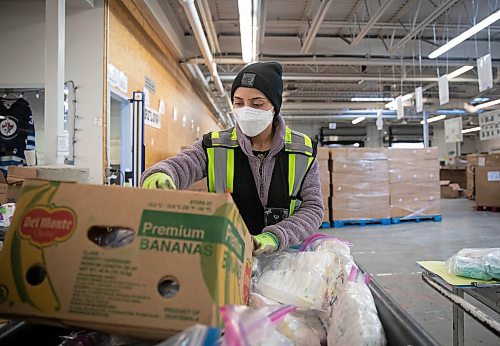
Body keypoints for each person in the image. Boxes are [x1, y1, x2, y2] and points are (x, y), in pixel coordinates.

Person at [141, 62, 324, 254]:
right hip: (227, 254)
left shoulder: (302, 150)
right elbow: (182, 165)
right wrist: (159, 174)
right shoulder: (215, 145)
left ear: (274, 106)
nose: (246, 110)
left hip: (284, 257)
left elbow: (313, 208)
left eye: (257, 104)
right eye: (238, 103)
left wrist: (275, 236)